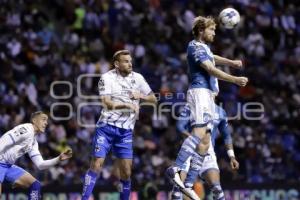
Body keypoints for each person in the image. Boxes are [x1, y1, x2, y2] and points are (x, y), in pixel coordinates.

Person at [167, 15, 248, 199]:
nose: (214, 33)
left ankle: (187, 184)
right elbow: (210, 69)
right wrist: (234, 79)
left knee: (204, 143)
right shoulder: (194, 46)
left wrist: (230, 62)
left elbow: (213, 58)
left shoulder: (205, 48)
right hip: (200, 92)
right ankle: (176, 169)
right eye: (211, 30)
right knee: (199, 133)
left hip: (208, 97)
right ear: (201, 30)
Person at [81, 50, 157, 200]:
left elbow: (154, 98)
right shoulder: (106, 78)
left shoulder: (138, 78)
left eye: (130, 61)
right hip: (106, 127)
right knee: (96, 165)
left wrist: (140, 96)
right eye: (126, 61)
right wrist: (128, 105)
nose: (130, 64)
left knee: (126, 172)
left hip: (126, 131)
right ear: (117, 64)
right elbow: (106, 103)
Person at [168, 104, 239, 200]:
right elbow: (180, 126)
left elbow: (226, 136)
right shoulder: (191, 106)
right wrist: (193, 141)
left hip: (208, 153)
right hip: (189, 150)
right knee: (178, 189)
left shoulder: (220, 111)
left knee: (217, 189)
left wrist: (232, 156)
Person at [0, 111, 73, 199]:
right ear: (34, 120)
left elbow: (40, 165)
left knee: (35, 185)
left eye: (46, 121)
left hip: (8, 166)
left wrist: (58, 159)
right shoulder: (26, 129)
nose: (46, 123)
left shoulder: (34, 142)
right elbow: (4, 140)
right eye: (43, 119)